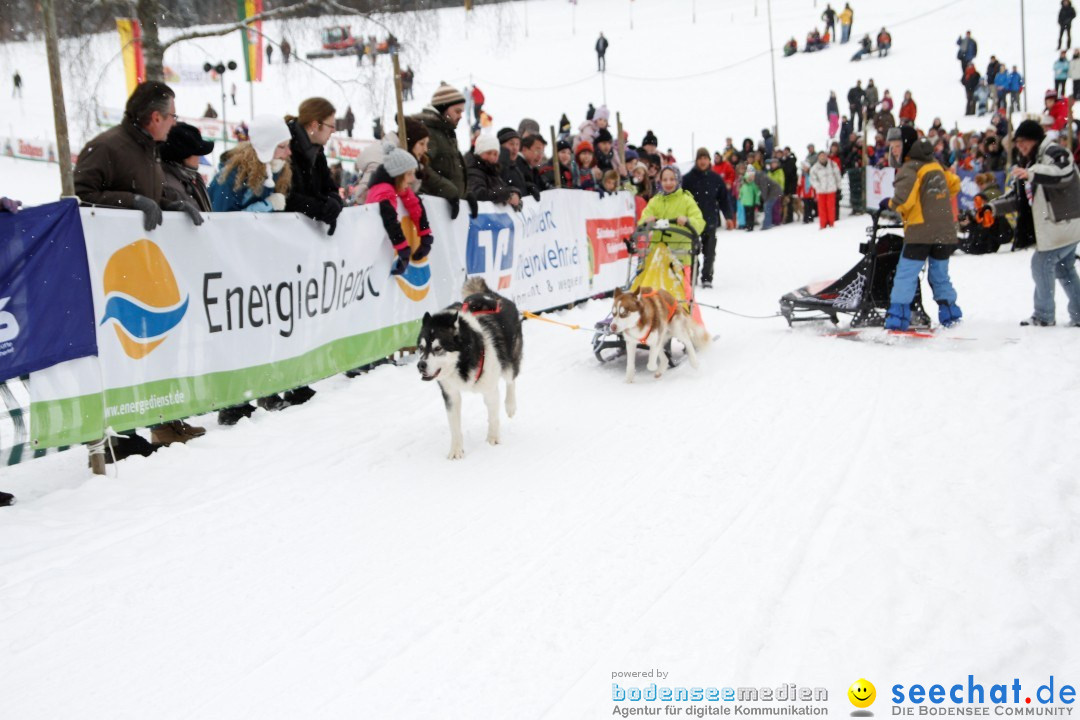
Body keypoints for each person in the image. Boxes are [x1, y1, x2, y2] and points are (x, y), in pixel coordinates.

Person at [207, 116, 295, 423]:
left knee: (263, 328)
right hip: (231, 265)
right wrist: (267, 206)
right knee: (237, 332)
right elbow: (221, 218)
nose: (288, 153)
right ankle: (233, 401)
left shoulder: (276, 171)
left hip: (259, 264)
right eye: (282, 146)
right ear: (268, 146)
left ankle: (265, 388)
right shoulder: (233, 174)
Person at [985, 120, 1080, 327]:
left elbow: (1063, 174)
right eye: (1017, 142)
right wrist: (992, 208)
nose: (1020, 145)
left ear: (1035, 139)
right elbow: (1018, 198)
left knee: (1041, 263)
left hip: (1065, 222)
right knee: (1064, 269)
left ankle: (1044, 315)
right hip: (1060, 227)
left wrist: (1033, 173)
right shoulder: (1030, 161)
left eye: (1023, 141)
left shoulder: (1055, 152)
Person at [74, 81, 203, 232]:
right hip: (109, 249)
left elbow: (146, 198)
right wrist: (132, 201)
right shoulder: (105, 147)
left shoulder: (150, 149)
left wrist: (169, 205)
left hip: (139, 247)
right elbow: (78, 198)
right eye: (173, 116)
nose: (174, 123)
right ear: (156, 118)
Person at [885, 125, 962, 330]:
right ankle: (950, 313)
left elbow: (904, 200)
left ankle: (897, 317)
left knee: (906, 274)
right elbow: (954, 184)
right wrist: (935, 201)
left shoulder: (911, 168)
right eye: (891, 147)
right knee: (939, 274)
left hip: (920, 231)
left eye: (897, 146)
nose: (894, 151)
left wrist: (889, 204)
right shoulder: (934, 165)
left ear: (907, 145)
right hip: (944, 230)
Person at [366, 147, 433, 277]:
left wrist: (425, 235)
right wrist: (402, 249)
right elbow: (389, 220)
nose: (412, 179)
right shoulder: (384, 191)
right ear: (398, 175)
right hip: (375, 254)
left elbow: (414, 204)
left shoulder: (397, 185)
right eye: (409, 174)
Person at [284, 97, 342, 240]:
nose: (333, 131)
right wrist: (318, 209)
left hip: (307, 240)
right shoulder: (285, 146)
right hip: (284, 238)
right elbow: (283, 195)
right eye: (331, 126)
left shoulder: (317, 152)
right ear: (315, 125)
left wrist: (334, 203)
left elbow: (330, 187)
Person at [417, 83, 468, 218]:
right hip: (433, 211)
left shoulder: (446, 132)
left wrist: (466, 194)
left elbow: (453, 170)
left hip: (446, 211)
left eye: (462, 112)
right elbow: (420, 166)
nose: (461, 116)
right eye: (457, 111)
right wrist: (449, 190)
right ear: (443, 108)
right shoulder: (429, 132)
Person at [682, 148, 728, 288]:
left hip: (710, 220)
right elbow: (681, 199)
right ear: (696, 161)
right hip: (692, 222)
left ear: (709, 161)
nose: (703, 161)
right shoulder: (687, 179)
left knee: (709, 251)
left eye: (705, 158)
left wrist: (729, 216)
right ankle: (692, 275)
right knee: (692, 251)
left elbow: (724, 199)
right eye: (700, 158)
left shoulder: (716, 178)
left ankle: (707, 277)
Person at [639, 166, 706, 251]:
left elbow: (699, 223)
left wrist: (688, 221)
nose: (668, 183)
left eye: (672, 179)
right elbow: (642, 220)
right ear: (660, 181)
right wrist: (646, 221)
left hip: (682, 253)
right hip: (656, 254)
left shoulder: (686, 200)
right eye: (665, 180)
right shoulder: (655, 201)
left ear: (678, 181)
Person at [160, 122, 213, 217]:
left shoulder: (192, 178)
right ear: (184, 155)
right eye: (197, 152)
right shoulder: (170, 186)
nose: (200, 157)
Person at [466, 133, 521, 210]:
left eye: (495, 154)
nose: (492, 157)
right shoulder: (474, 170)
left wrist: (514, 192)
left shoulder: (493, 170)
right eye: (488, 153)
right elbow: (479, 194)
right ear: (480, 153)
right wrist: (507, 196)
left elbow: (503, 188)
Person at [497, 126, 539, 201]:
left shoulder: (515, 166)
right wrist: (511, 193)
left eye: (517, 144)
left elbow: (518, 184)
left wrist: (529, 187)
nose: (515, 148)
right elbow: (498, 187)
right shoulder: (497, 166)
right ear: (500, 146)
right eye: (511, 144)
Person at [808, 151, 842, 229]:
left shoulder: (833, 165)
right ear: (818, 157)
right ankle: (823, 224)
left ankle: (831, 223)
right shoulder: (815, 168)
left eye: (824, 156)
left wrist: (838, 187)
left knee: (831, 207)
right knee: (822, 208)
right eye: (821, 156)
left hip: (831, 189)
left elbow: (837, 176)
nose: (823, 157)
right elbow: (812, 179)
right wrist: (818, 186)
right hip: (821, 191)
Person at [739, 167, 762, 232]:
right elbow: (741, 193)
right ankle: (747, 225)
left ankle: (751, 226)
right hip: (745, 203)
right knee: (746, 215)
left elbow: (756, 193)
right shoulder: (743, 186)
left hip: (751, 203)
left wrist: (757, 201)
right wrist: (740, 198)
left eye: (750, 178)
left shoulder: (753, 185)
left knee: (751, 215)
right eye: (748, 178)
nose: (749, 180)